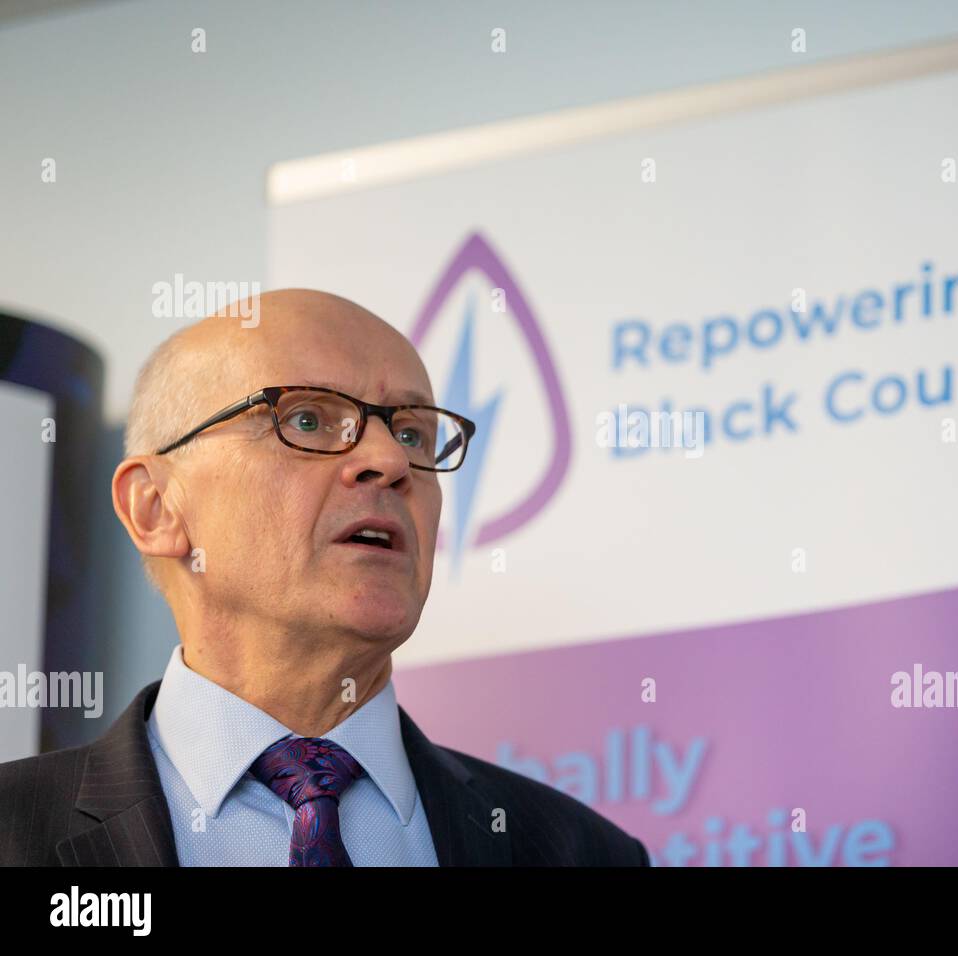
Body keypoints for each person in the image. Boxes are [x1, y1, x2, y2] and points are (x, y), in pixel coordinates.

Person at [0, 289, 649, 866]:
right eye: (307, 419)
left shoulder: (579, 852)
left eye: (415, 435)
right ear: (156, 507)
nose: (391, 462)